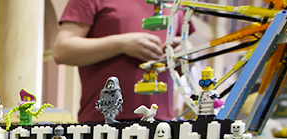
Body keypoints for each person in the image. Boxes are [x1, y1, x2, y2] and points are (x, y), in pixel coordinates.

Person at [53, 1, 192, 122]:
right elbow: (62, 50)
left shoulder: (178, 3)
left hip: (161, 121)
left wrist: (187, 53)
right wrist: (121, 44)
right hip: (102, 122)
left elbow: (184, 64)